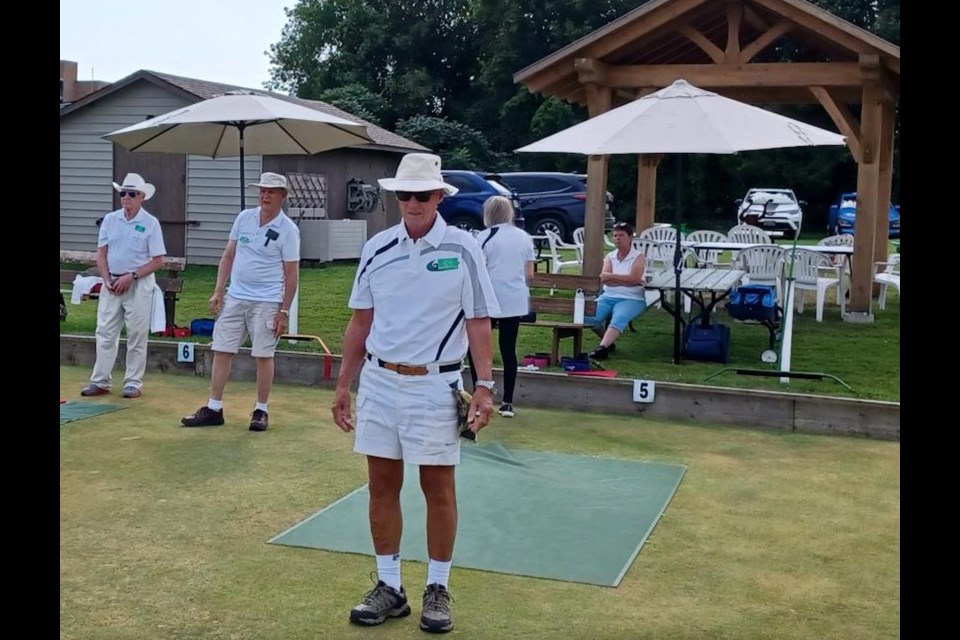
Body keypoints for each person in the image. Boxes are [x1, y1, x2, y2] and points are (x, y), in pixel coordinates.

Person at [331, 153, 499, 634]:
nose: (412, 203)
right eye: (404, 194)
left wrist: (484, 387)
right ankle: (390, 586)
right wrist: (344, 384)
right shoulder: (377, 248)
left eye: (422, 194)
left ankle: (438, 588)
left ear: (440, 196)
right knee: (381, 486)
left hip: (437, 383)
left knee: (437, 489)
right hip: (380, 382)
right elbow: (360, 320)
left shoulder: (464, 249)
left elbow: (479, 321)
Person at [181, 173, 300, 432]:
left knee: (263, 354)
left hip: (268, 300)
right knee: (221, 349)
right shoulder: (243, 218)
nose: (265, 195)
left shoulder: (289, 230)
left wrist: (284, 311)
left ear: (283, 196)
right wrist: (218, 290)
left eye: (272, 191)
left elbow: (292, 274)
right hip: (236, 296)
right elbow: (229, 255)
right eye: (262, 191)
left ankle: (261, 410)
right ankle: (214, 407)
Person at [80, 173, 167, 399]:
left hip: (138, 284)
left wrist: (132, 276)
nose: (126, 198)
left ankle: (133, 382)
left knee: (137, 334)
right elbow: (101, 254)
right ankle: (100, 381)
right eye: (123, 193)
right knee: (105, 332)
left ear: (142, 197)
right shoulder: (110, 219)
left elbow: (158, 260)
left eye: (131, 194)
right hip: (112, 283)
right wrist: (107, 279)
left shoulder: (150, 223)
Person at [470, 196, 535, 418]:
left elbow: (478, 270)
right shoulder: (524, 238)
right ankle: (508, 402)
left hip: (489, 299)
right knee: (508, 349)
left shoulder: (484, 237)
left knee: (478, 348)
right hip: (515, 300)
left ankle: (478, 393)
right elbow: (530, 274)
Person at [586, 221, 649, 360]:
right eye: (615, 236)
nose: (617, 239)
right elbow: (604, 278)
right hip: (609, 295)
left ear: (630, 237)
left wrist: (613, 277)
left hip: (632, 298)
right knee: (588, 316)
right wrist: (627, 280)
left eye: (621, 235)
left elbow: (634, 278)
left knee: (620, 317)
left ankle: (602, 349)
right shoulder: (610, 256)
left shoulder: (638, 257)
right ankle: (609, 341)